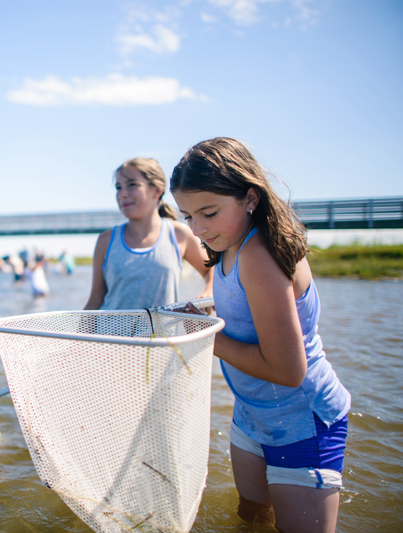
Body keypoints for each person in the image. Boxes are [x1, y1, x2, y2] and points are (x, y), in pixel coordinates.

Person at [170, 137, 350, 533]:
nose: (198, 228)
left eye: (209, 212)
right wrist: (205, 314)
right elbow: (248, 313)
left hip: (302, 420)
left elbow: (289, 370)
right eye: (187, 216)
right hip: (252, 415)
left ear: (250, 198)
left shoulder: (258, 254)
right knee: (251, 519)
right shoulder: (230, 245)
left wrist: (206, 336)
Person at [84, 157, 212, 311]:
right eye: (118, 187)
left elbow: (210, 268)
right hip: (110, 334)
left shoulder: (178, 234)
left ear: (157, 190)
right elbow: (95, 301)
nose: (122, 194)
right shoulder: (106, 240)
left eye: (132, 185)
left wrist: (208, 292)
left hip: (161, 334)